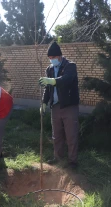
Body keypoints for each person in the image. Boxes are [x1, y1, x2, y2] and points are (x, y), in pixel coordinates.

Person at [39, 41, 80, 169]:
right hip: (55, 106)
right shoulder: (49, 69)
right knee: (56, 134)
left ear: (59, 56)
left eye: (53, 58)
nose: (51, 60)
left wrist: (52, 81)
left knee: (71, 134)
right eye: (49, 58)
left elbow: (67, 79)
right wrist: (44, 102)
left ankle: (72, 161)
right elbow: (47, 88)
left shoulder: (70, 66)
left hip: (69, 106)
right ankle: (58, 157)